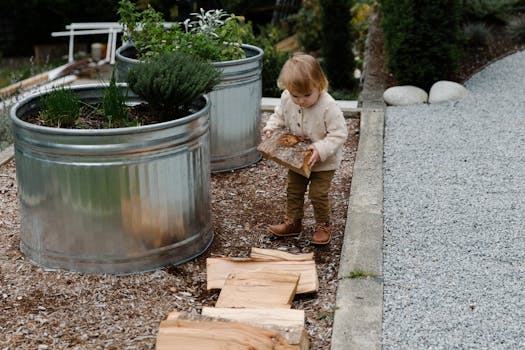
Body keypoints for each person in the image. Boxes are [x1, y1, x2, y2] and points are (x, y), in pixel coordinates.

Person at [263, 53, 348, 245]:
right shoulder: (287, 98)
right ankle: (293, 222)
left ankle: (323, 224)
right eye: (295, 95)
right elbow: (280, 115)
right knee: (293, 189)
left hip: (323, 161)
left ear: (320, 84)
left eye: (307, 95)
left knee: (318, 193)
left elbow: (339, 134)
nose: (301, 101)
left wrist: (320, 149)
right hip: (298, 159)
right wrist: (271, 127)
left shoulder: (329, 107)